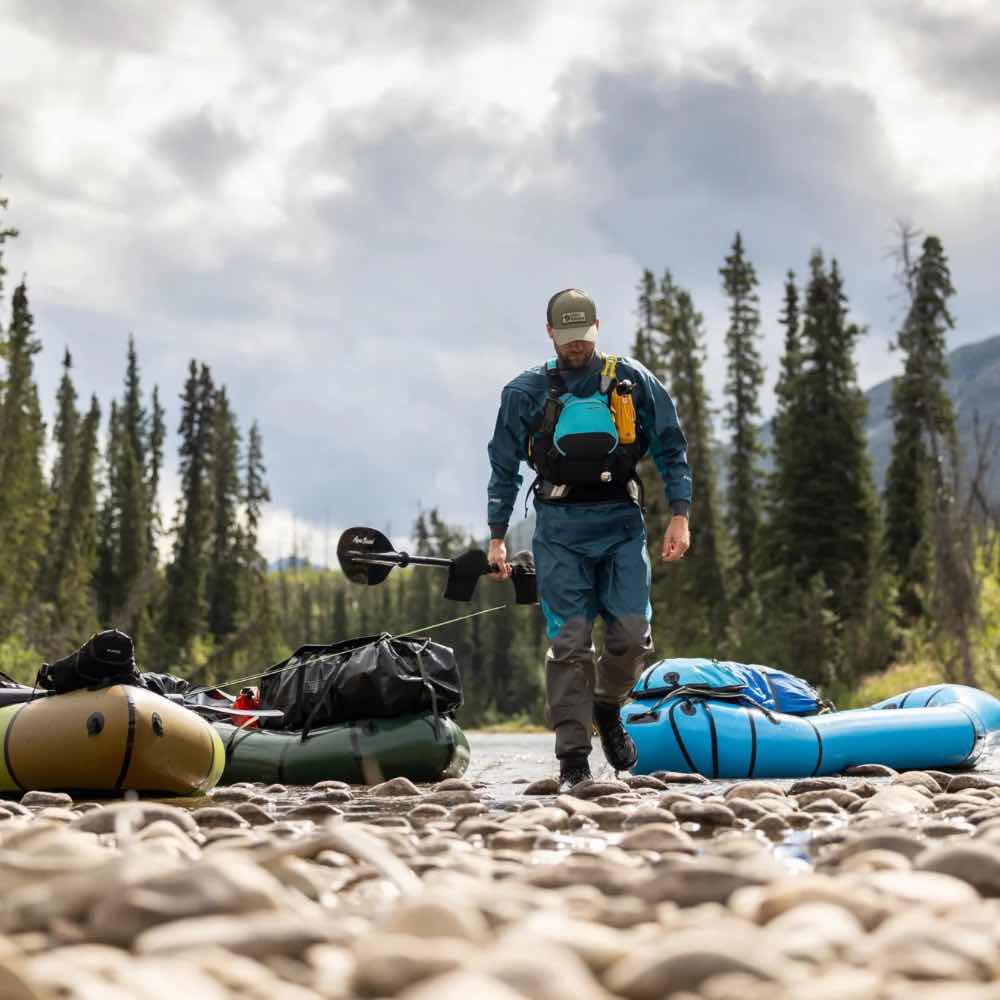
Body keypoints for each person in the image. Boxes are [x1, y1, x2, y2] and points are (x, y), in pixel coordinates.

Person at [486, 288, 692, 790]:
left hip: (621, 523)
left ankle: (606, 705)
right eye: (567, 337)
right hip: (558, 531)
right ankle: (573, 762)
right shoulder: (524, 392)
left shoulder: (632, 380)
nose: (576, 346)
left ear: (597, 329)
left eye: (584, 336)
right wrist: (496, 536)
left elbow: (671, 446)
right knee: (570, 645)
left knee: (629, 637)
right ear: (550, 332)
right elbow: (503, 466)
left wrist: (680, 515)